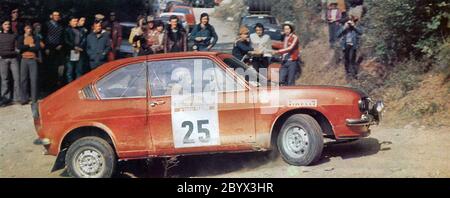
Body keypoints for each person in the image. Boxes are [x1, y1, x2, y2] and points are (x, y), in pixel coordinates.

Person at [18, 24, 43, 105]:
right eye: (27, 28)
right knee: (23, 80)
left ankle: (34, 99)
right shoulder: (21, 37)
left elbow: (37, 47)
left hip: (33, 60)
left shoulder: (36, 37)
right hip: (24, 60)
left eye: (30, 28)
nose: (29, 30)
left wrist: (26, 47)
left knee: (34, 79)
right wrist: (29, 45)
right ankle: (24, 99)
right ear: (24, 29)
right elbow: (19, 47)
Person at [273, 21, 300, 86]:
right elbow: (283, 46)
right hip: (284, 61)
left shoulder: (295, 37)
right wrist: (272, 44)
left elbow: (290, 48)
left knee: (290, 81)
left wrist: (278, 51)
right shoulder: (285, 37)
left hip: (292, 61)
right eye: (285, 29)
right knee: (281, 79)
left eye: (288, 29)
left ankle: (292, 95)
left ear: (291, 29)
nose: (286, 30)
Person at [43, 11, 64, 91]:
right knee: (49, 68)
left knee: (56, 68)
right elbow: (44, 36)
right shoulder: (46, 25)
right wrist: (46, 48)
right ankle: (48, 88)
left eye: (58, 15)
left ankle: (55, 87)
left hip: (58, 48)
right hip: (49, 47)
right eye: (55, 15)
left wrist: (61, 44)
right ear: (51, 16)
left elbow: (62, 37)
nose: (56, 16)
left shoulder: (60, 26)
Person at [0, 19, 20, 107]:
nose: (7, 26)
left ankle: (17, 98)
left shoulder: (14, 35)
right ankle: (5, 99)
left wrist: (14, 53)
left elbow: (17, 49)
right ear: (2, 26)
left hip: (13, 60)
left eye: (8, 24)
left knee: (17, 78)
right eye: (5, 24)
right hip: (2, 60)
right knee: (4, 79)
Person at [337, 13, 362, 80]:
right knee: (346, 60)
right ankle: (348, 74)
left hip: (353, 46)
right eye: (348, 21)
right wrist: (344, 28)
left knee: (352, 60)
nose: (350, 23)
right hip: (345, 46)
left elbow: (361, 32)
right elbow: (337, 35)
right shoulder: (344, 28)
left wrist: (354, 26)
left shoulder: (355, 28)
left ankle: (354, 75)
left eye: (351, 21)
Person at [64, 16, 84, 83]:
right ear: (70, 22)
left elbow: (83, 39)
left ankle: (78, 85)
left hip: (79, 52)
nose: (75, 23)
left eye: (76, 21)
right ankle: (70, 86)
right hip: (70, 52)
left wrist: (80, 47)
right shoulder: (67, 30)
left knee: (79, 71)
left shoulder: (80, 29)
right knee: (70, 71)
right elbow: (66, 41)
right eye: (74, 21)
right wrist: (74, 47)